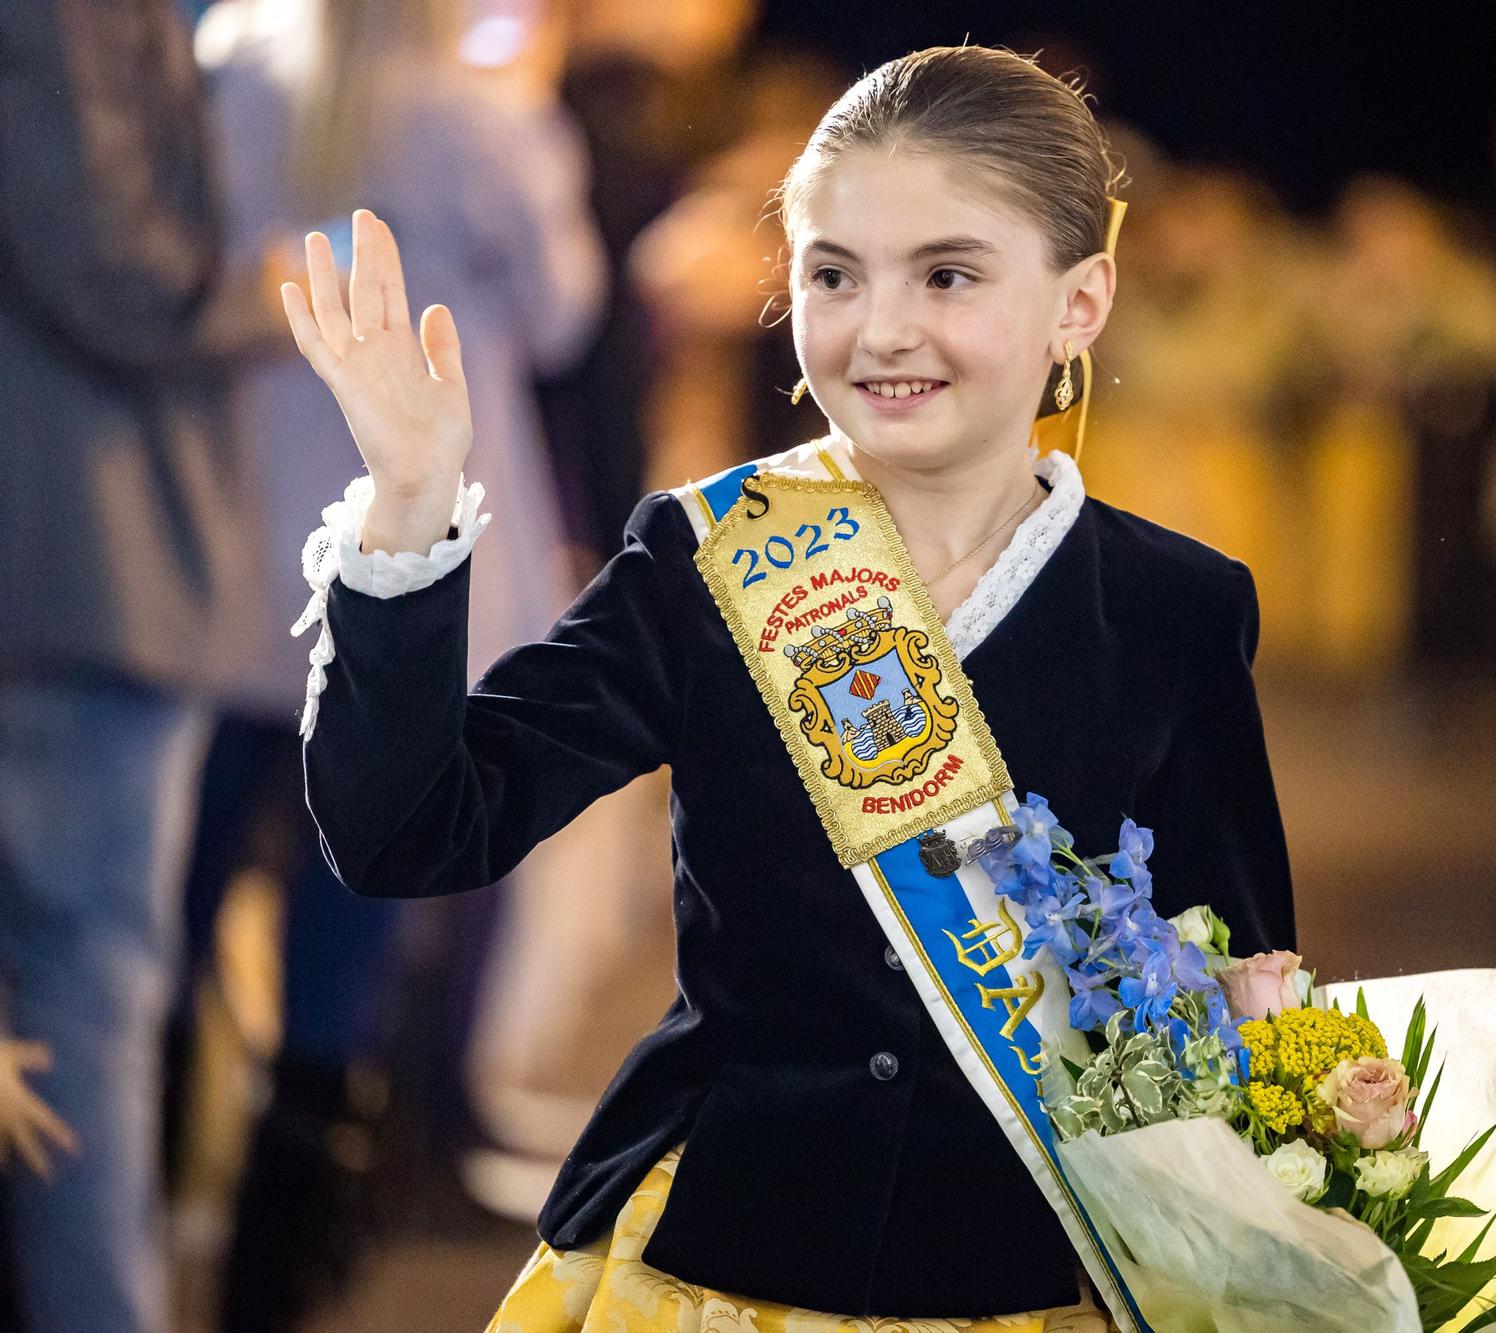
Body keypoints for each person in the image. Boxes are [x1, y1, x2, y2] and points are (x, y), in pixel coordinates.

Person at [281, 45, 1295, 1327]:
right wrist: (409, 506)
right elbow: (409, 830)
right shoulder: (708, 557)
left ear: (1078, 301)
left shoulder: (1175, 610)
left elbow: (1241, 987)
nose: (881, 330)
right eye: (832, 274)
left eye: (947, 275)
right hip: (716, 1256)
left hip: (1037, 1277)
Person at [180, 2, 605, 1323]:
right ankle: (273, 1273)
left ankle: (123, 1227)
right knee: (350, 911)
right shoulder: (482, 114)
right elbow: (562, 315)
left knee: (177, 906)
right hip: (398, 553)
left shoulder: (229, 70)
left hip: (236, 543)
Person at [0, 2, 286, 1328]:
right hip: (84, 557)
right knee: (89, 986)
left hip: (77, 560)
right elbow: (116, 267)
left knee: (77, 980)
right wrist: (273, 291)